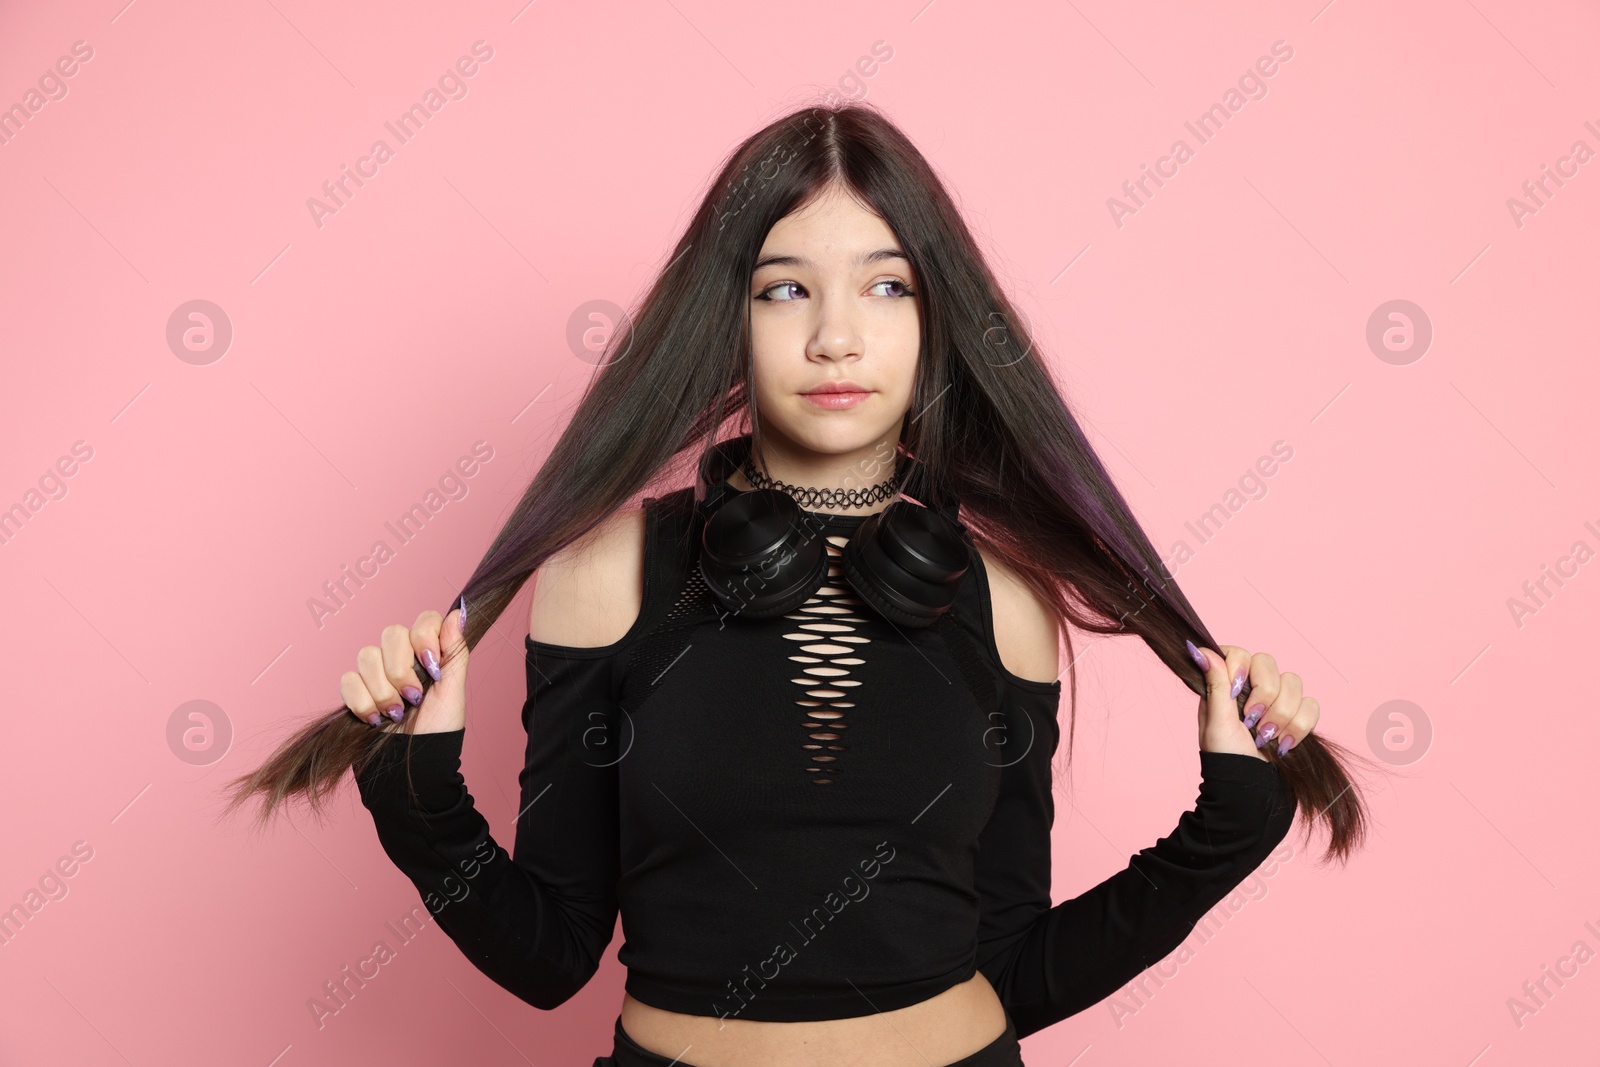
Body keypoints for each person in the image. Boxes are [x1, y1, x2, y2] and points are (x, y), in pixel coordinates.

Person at [226, 103, 1370, 1067]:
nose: (835, 337)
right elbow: (548, 955)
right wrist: (413, 781)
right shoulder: (603, 571)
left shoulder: (1005, 596)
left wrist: (1236, 817)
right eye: (784, 290)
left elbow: (1017, 966)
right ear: (724, 314)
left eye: (885, 287)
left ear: (936, 319)